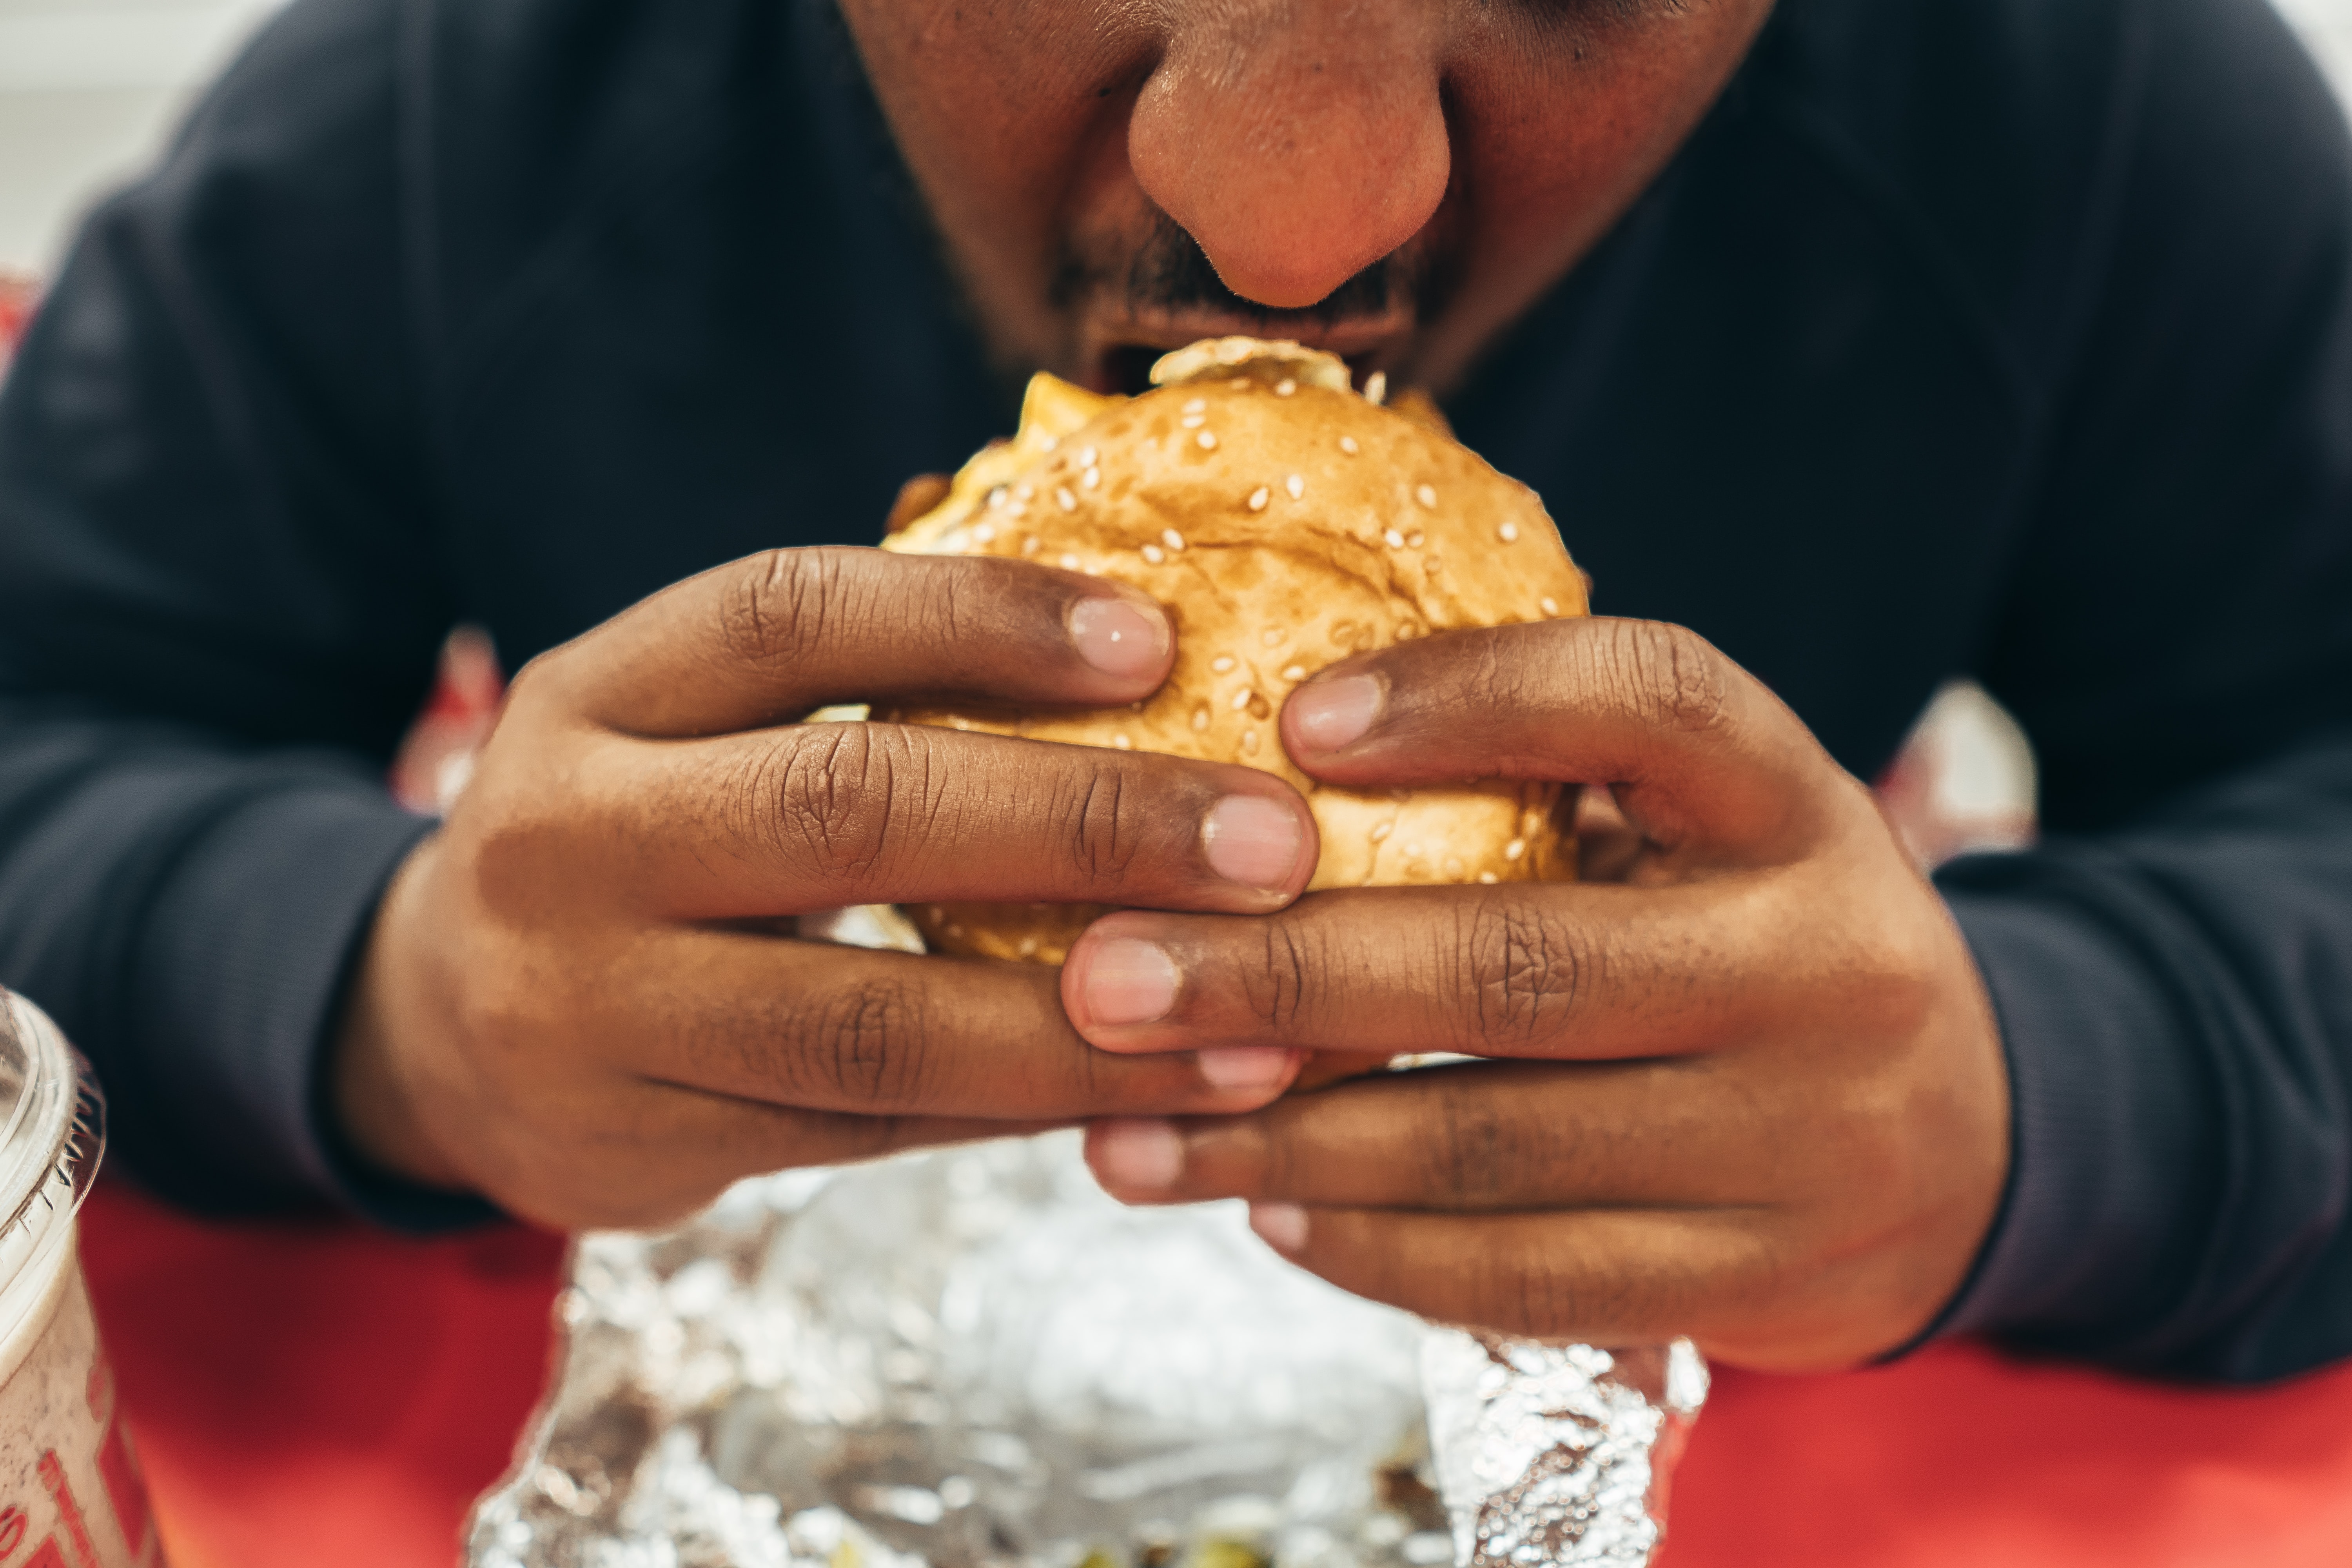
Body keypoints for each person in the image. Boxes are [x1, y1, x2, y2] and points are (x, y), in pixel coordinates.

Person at [0, 0, 2347, 1382]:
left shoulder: (2076, 91)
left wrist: (2046, 1107)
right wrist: (380, 1002)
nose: (1296, 224)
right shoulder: (471, 89)